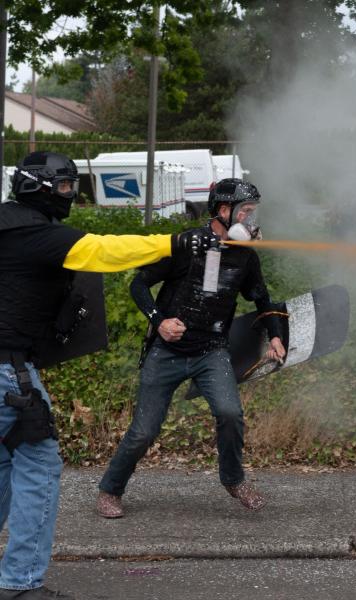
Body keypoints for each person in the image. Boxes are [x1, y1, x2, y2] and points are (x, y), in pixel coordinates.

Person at [0, 151, 218, 599]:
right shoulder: (35, 235)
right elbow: (103, 250)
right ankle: (21, 584)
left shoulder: (7, 225)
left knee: (4, 464)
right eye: (62, 188)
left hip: (8, 367)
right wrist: (174, 244)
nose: (68, 196)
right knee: (38, 466)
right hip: (8, 372)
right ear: (36, 187)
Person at [97, 178, 286, 519]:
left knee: (230, 413)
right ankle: (110, 489)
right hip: (166, 352)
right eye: (245, 212)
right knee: (144, 432)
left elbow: (262, 299)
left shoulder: (245, 257)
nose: (251, 220)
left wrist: (275, 335)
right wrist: (159, 320)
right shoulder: (188, 244)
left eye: (253, 213)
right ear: (224, 211)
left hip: (211, 351)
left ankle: (233, 480)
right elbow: (139, 284)